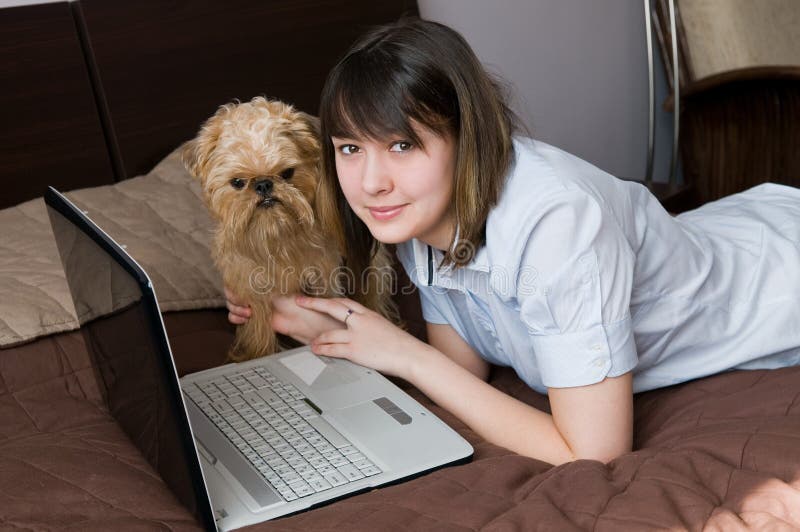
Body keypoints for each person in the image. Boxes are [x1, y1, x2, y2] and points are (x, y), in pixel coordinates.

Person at [225, 18, 800, 465]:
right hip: (727, 233)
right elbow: (463, 364)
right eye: (350, 148)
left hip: (780, 278)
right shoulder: (411, 212)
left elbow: (592, 453)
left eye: (402, 145)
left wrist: (406, 355)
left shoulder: (559, 225)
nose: (370, 182)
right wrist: (324, 328)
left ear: (465, 134)